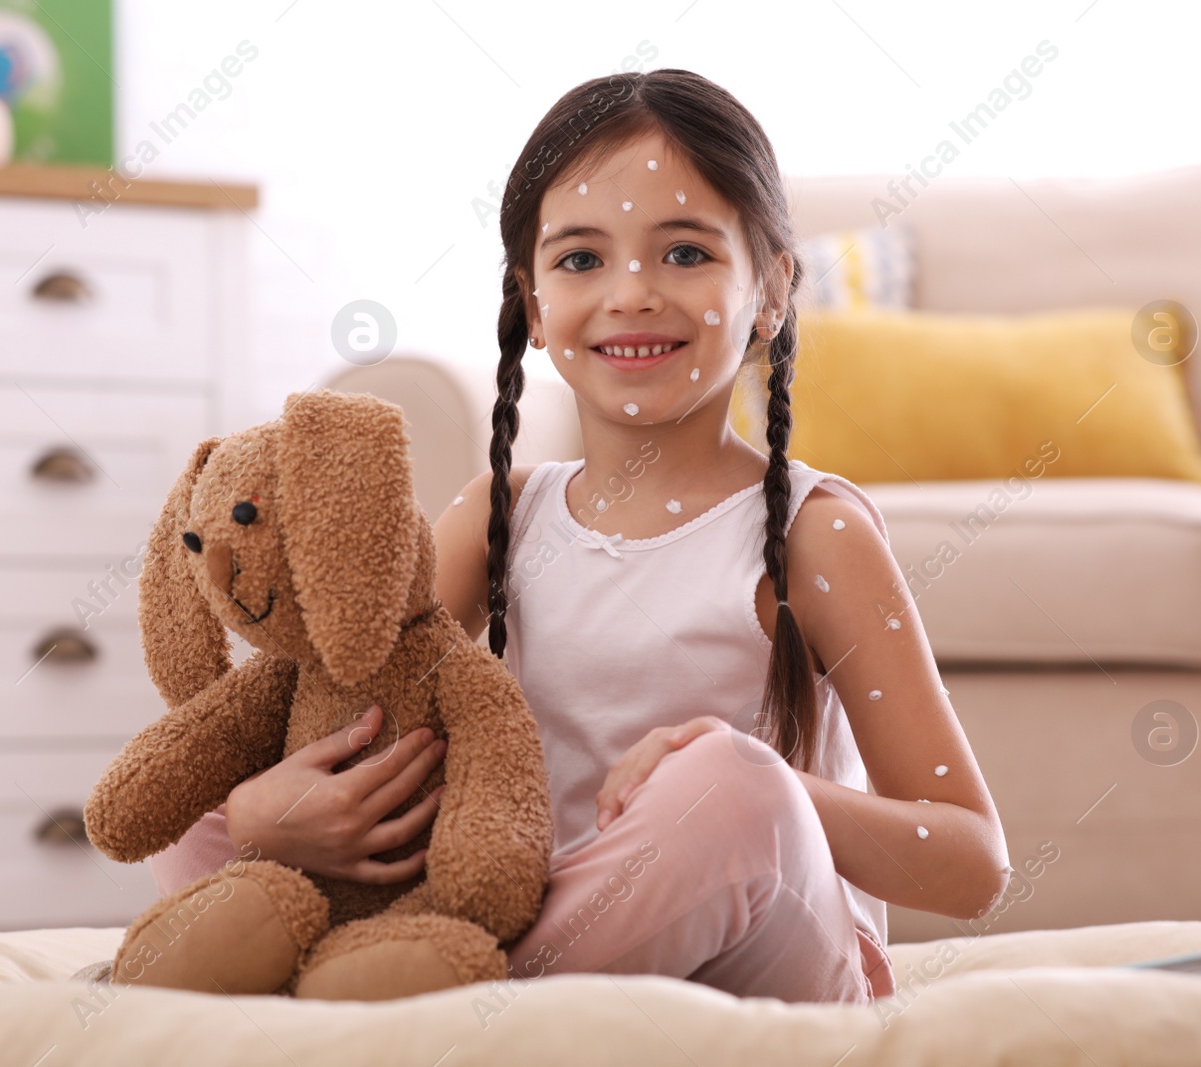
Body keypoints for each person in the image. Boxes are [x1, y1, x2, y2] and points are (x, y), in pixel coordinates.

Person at [152, 68, 1012, 1005]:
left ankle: (436, 1002)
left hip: (766, 977)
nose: (632, 293)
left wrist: (777, 791)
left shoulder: (816, 532)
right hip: (541, 917)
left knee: (733, 781)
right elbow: (330, 700)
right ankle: (396, 980)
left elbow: (971, 859)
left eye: (684, 253)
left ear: (771, 290)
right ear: (528, 299)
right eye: (580, 259)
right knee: (192, 775)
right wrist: (261, 817)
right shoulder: (501, 515)